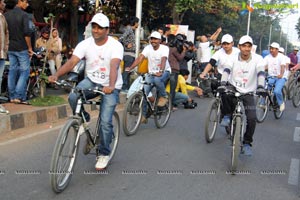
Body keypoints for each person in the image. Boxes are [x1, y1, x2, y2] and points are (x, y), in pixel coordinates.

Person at [48, 13, 124, 171]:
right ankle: (85, 119)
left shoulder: (115, 46)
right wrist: (56, 74)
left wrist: (110, 85)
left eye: (100, 28)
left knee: (104, 122)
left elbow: (114, 66)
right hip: (91, 80)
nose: (96, 30)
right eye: (94, 27)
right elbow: (72, 62)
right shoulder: (85, 43)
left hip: (111, 84)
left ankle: (104, 153)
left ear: (107, 30)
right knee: (74, 95)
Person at [218, 35, 265, 156]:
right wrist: (223, 83)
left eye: (249, 46)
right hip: (233, 88)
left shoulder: (258, 58)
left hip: (248, 92)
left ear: (251, 47)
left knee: (252, 118)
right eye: (244, 46)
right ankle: (227, 116)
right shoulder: (232, 58)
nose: (246, 49)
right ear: (239, 47)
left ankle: (247, 143)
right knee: (225, 92)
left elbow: (261, 73)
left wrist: (260, 86)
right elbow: (226, 70)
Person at [125, 31, 171, 123]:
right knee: (144, 93)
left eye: (156, 39)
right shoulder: (147, 48)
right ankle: (144, 115)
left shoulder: (164, 48)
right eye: (152, 39)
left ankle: (164, 97)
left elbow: (163, 59)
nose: (153, 41)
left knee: (158, 80)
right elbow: (140, 58)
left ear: (160, 40)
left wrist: (161, 71)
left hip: (164, 71)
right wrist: (131, 67)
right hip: (151, 73)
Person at [4, 0, 33, 104]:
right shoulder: (25, 15)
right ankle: (18, 96)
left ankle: (12, 97)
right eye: (26, 2)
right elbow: (27, 34)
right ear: (20, 1)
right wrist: (29, 48)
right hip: (21, 47)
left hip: (10, 48)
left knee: (12, 71)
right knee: (24, 72)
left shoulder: (6, 15)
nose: (27, 4)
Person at [263, 42, 286, 111]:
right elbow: (263, 65)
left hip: (281, 77)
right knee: (264, 89)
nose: (271, 50)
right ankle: (262, 103)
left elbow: (282, 66)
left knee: (276, 91)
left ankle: (281, 103)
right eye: (270, 48)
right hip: (271, 76)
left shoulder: (281, 57)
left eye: (273, 48)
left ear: (277, 49)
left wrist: (281, 74)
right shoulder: (267, 57)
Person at [118, 16, 139, 92]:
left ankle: (126, 87)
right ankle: (124, 87)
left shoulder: (130, 30)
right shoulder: (129, 29)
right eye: (137, 23)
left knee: (128, 71)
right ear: (135, 23)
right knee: (126, 71)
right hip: (128, 54)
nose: (138, 25)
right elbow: (121, 38)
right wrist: (126, 45)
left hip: (130, 54)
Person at [167, 34, 186, 110]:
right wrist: (184, 51)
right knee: (172, 89)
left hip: (166, 69)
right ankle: (170, 106)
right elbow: (180, 58)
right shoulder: (174, 49)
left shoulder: (166, 47)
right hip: (174, 70)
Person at [0, 0, 9, 114]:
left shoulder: (3, 17)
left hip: (2, 54)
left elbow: (7, 33)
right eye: (2, 2)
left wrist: (5, 48)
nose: (4, 4)